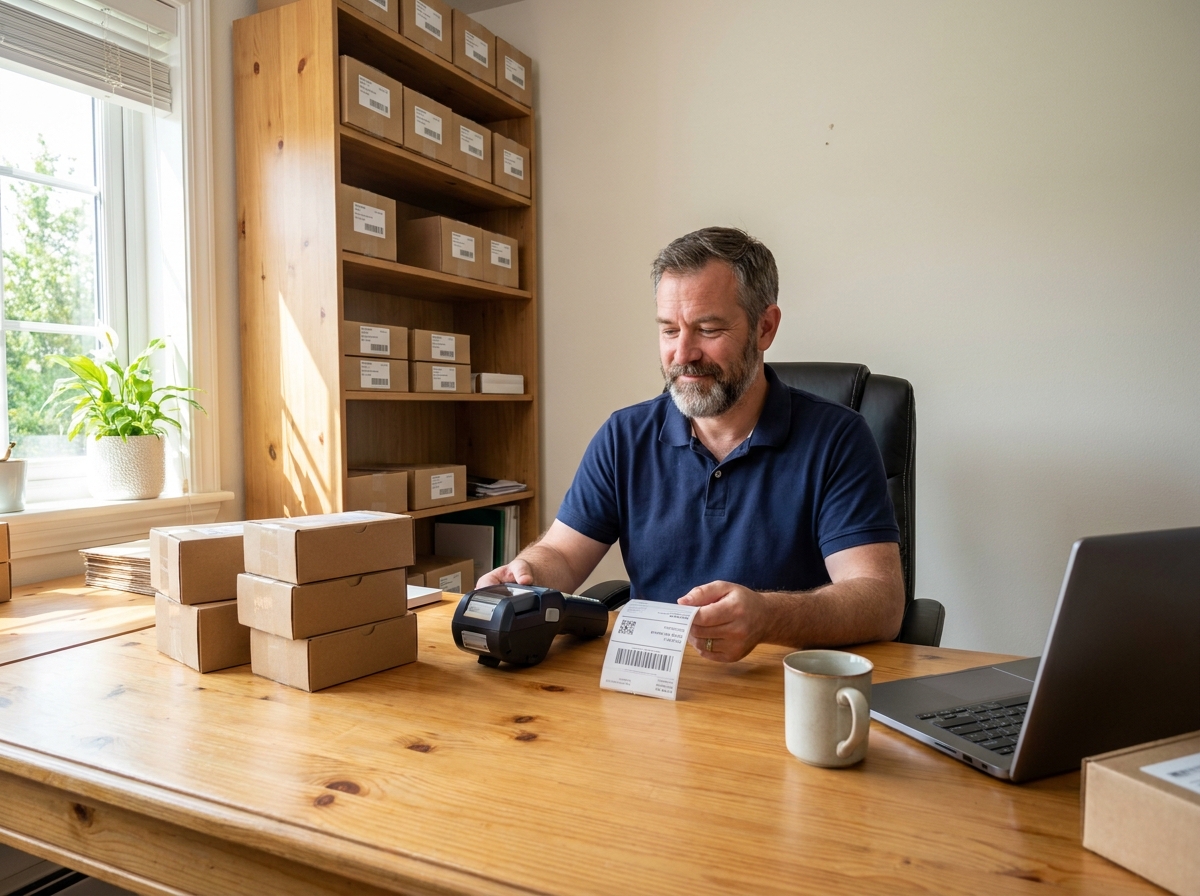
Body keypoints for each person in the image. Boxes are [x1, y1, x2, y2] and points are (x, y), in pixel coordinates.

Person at [478, 227, 905, 662]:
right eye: (669, 330)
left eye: (708, 329)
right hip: (652, 682)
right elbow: (563, 556)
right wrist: (528, 573)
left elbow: (880, 602)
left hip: (783, 684)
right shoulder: (625, 436)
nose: (683, 353)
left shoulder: (838, 438)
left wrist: (768, 616)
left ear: (765, 328)